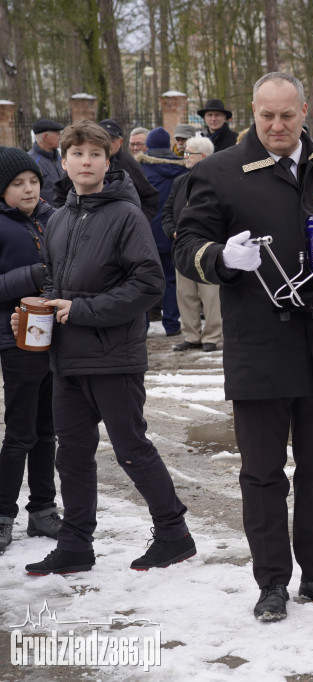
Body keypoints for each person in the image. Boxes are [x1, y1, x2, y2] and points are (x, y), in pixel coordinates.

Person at [174, 72, 313, 622]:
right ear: (252, 113)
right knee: (262, 473)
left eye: (287, 115)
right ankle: (273, 581)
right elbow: (186, 245)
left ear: (306, 111)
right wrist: (223, 258)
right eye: (266, 116)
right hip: (261, 344)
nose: (277, 126)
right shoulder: (219, 172)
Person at [19, 120, 195, 575]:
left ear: (108, 160)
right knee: (71, 453)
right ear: (64, 160)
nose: (85, 162)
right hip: (68, 356)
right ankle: (76, 544)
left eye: (95, 155)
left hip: (113, 353)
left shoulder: (126, 215)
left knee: (130, 446)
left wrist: (81, 310)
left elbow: (148, 283)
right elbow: (54, 278)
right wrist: (37, 313)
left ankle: (173, 532)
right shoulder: (59, 217)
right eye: (77, 154)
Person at [0, 146, 60, 554]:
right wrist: (34, 275)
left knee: (47, 430)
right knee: (20, 432)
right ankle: (4, 514)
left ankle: (43, 509)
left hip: (54, 336)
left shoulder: (53, 218)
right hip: (15, 338)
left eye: (33, 182)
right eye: (18, 184)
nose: (28, 190)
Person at [162, 135, 222, 352]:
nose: (185, 157)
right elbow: (167, 212)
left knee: (210, 293)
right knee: (185, 293)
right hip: (182, 246)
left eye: (189, 153)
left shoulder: (217, 181)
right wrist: (173, 231)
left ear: (203, 157)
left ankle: (212, 337)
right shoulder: (180, 181)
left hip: (207, 245)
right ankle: (191, 335)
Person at [50, 119, 160, 221]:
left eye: (111, 139)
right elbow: (60, 194)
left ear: (120, 142)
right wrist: (68, 219)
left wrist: (136, 220)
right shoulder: (76, 169)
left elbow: (149, 197)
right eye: (78, 153)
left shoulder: (129, 164)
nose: (86, 162)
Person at [137, 127, 189, 337]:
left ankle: (144, 324)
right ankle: (172, 324)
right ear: (169, 146)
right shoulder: (182, 169)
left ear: (148, 145)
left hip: (145, 233)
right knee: (171, 280)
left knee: (143, 279)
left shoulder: (140, 169)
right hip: (170, 232)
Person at [29, 119, 66, 204]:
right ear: (46, 137)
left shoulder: (58, 157)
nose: (60, 137)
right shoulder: (31, 162)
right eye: (57, 134)